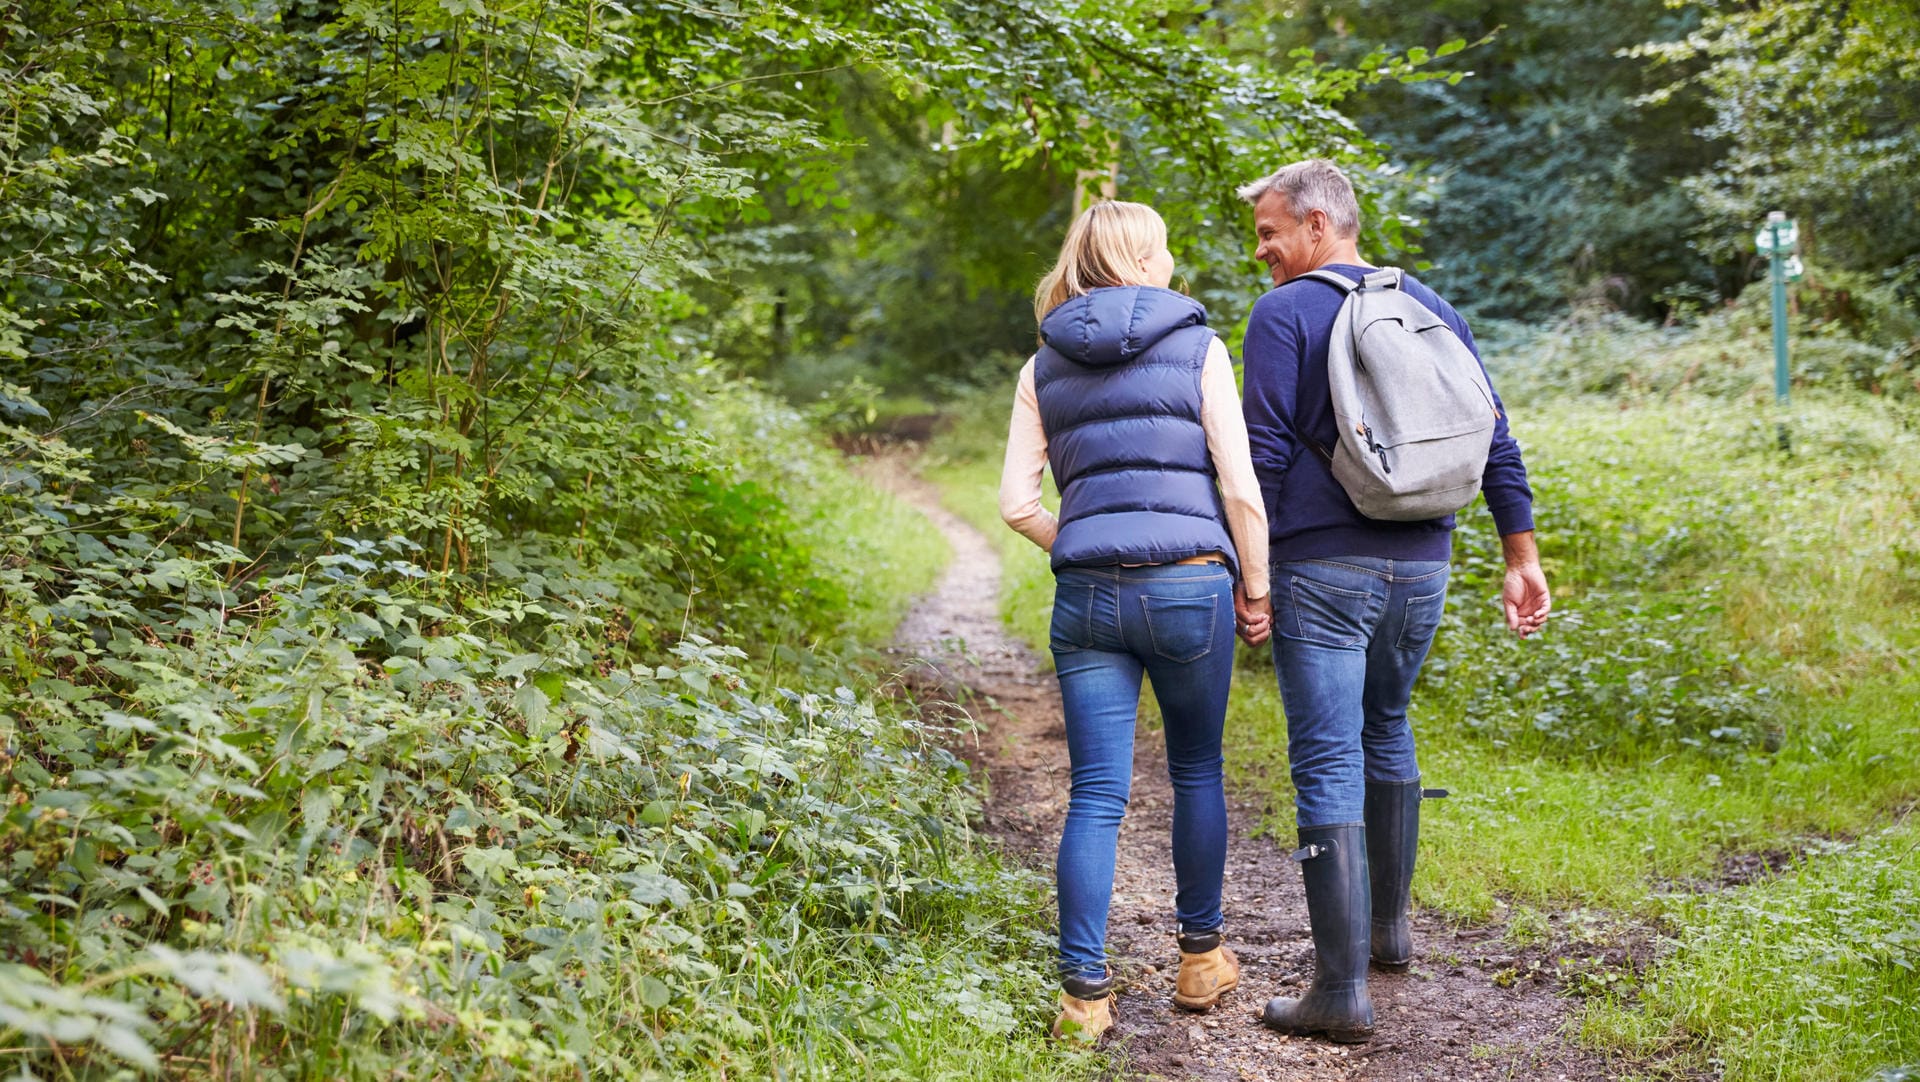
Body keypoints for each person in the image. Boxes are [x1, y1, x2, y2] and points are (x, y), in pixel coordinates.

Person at [1231, 160, 1551, 1043]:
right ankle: (1388, 936)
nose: (1262, 251)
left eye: (1270, 233)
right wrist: (1518, 554)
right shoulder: (1428, 306)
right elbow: (1495, 435)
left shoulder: (1283, 313)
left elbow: (1258, 456)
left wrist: (1245, 575)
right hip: (1425, 564)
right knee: (1388, 723)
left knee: (1325, 756)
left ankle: (1339, 993)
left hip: (1322, 569)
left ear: (1320, 227)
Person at [999, 200, 1272, 1042]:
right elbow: (1239, 486)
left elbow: (1016, 504)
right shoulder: (1199, 345)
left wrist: (1075, 540)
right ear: (1149, 257)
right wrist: (1254, 586)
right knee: (1195, 769)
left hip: (1087, 599)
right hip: (1190, 587)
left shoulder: (1042, 363)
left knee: (1097, 794)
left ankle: (1083, 998)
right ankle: (1200, 962)